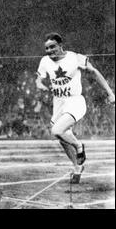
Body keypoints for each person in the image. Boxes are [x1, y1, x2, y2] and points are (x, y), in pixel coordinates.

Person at [35, 32, 115, 184]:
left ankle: (79, 146)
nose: (50, 51)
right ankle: (77, 168)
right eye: (47, 48)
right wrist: (40, 84)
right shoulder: (45, 61)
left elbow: (95, 73)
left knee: (57, 130)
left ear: (60, 46)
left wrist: (111, 94)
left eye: (53, 47)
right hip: (58, 102)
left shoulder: (75, 57)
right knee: (62, 138)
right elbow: (38, 79)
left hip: (75, 101)